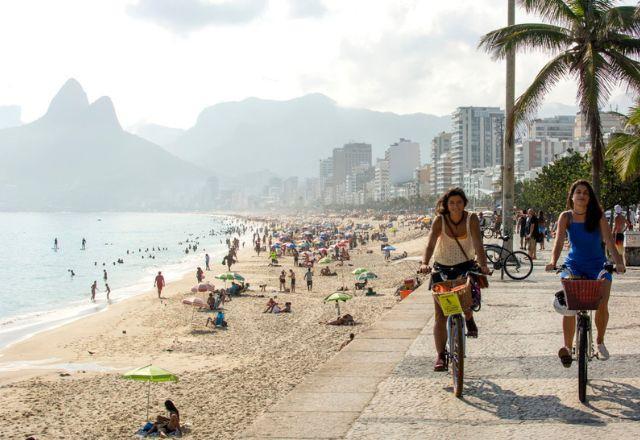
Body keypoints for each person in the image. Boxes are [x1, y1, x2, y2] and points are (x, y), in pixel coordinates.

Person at [545, 180, 625, 366]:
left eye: (585, 193)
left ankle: (600, 342)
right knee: (570, 306)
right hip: (574, 266)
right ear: (572, 196)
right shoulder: (566, 217)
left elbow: (609, 241)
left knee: (602, 302)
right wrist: (552, 261)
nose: (582, 195)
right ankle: (567, 347)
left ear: (589, 198)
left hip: (598, 266)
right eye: (578, 192)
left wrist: (619, 263)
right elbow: (557, 243)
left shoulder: (597, 216)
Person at [419, 187, 490, 372]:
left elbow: (477, 243)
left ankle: (469, 317)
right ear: (446, 204)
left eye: (459, 202)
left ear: (464, 203)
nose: (455, 206)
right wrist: (424, 263)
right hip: (442, 267)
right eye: (452, 203)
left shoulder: (471, 218)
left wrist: (483, 265)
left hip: (465, 266)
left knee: (466, 301)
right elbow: (430, 243)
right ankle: (441, 355)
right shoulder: (440, 221)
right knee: (440, 315)